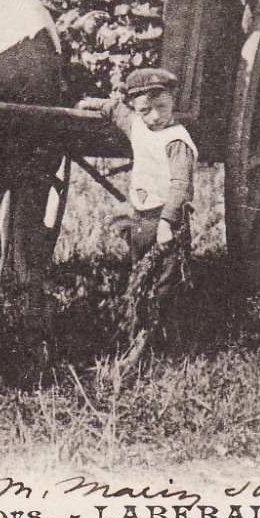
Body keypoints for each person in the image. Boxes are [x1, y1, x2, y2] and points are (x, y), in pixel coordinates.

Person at [79, 68, 197, 365]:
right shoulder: (138, 126)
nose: (155, 116)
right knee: (141, 279)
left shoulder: (177, 140)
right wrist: (91, 103)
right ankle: (146, 337)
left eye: (162, 108)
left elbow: (180, 185)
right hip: (142, 219)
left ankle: (168, 347)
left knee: (166, 286)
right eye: (147, 110)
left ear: (173, 102)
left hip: (168, 222)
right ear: (136, 108)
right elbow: (115, 110)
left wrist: (169, 223)